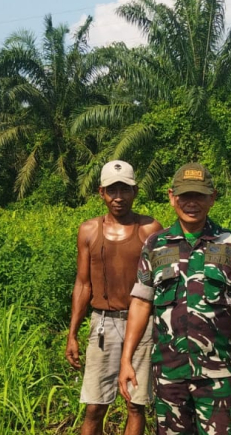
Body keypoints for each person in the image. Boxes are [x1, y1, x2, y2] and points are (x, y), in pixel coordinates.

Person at [118, 162, 231, 435]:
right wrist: (126, 359)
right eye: (185, 195)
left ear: (213, 197)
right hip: (168, 374)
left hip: (217, 375)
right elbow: (141, 302)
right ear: (171, 196)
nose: (191, 203)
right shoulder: (155, 244)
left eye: (199, 195)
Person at [66, 160, 163, 435]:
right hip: (103, 324)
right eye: (112, 190)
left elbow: (163, 281)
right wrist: (72, 333)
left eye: (125, 190)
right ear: (101, 192)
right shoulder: (89, 230)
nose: (118, 198)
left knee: (135, 403)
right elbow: (83, 284)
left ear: (135, 191)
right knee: (95, 405)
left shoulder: (149, 229)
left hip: (141, 324)